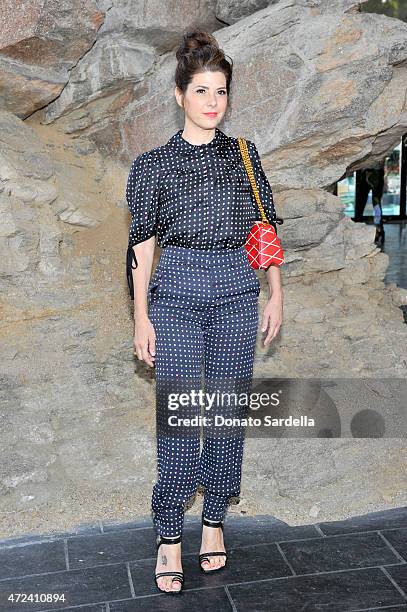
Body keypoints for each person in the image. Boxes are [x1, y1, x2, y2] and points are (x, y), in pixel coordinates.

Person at [125, 28, 283, 594]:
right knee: (182, 417)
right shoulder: (151, 167)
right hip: (176, 295)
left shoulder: (244, 154)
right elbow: (141, 249)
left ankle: (213, 521)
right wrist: (142, 318)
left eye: (220, 91)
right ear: (179, 96)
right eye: (201, 91)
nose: (212, 101)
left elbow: (263, 228)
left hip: (238, 292)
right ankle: (170, 533)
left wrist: (276, 292)